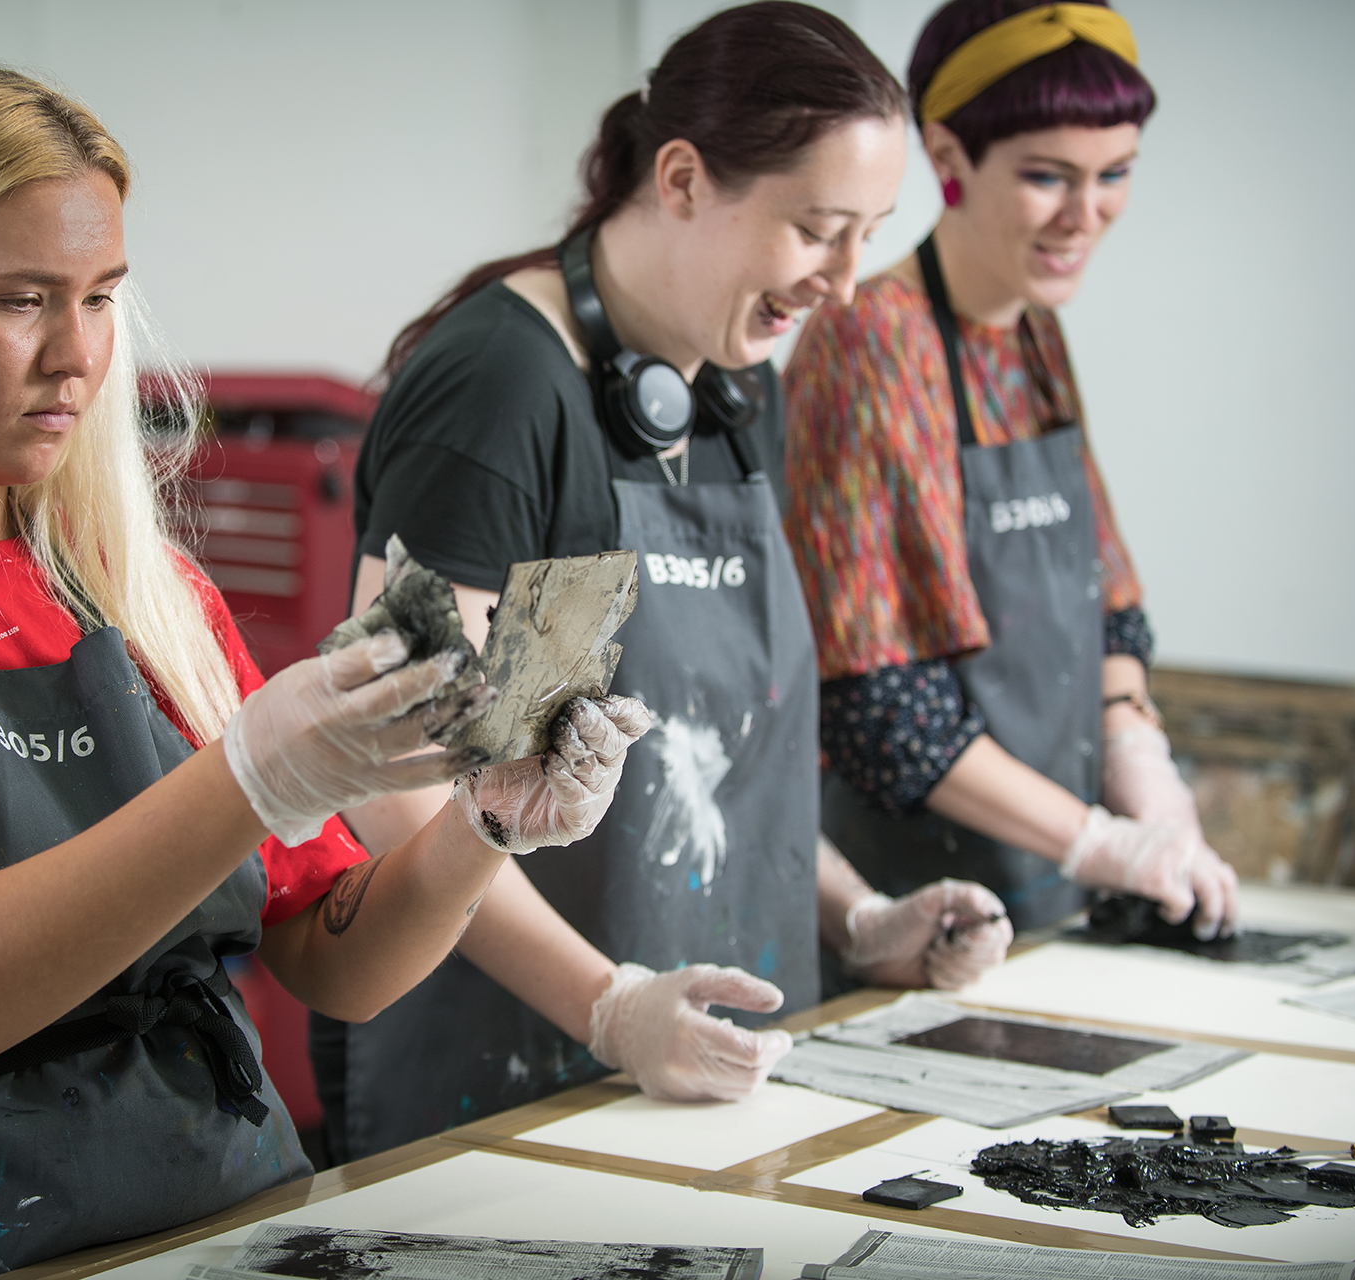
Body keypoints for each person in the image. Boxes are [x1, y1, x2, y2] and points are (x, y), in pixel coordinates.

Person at [0, 64, 649, 1279]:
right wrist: (244, 782)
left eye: (101, 298)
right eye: (22, 301)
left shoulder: (135, 591)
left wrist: (483, 826)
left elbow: (335, 960)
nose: (78, 357)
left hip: (223, 1224)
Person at [313, 2, 1016, 1167]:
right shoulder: (502, 389)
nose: (844, 281)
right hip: (505, 1082)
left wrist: (857, 914)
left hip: (700, 1074)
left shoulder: (734, 394)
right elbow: (394, 788)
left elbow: (715, 751)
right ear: (683, 176)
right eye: (818, 229)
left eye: (870, 234)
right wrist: (606, 1004)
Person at [783, 0, 1240, 939]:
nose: (1086, 215)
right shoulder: (867, 341)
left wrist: (1139, 760)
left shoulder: (1034, 330)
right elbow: (879, 707)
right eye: (1047, 177)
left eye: (1114, 175)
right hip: (918, 908)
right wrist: (1105, 844)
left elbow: (1106, 600)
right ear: (948, 157)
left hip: (1049, 885)